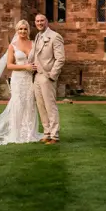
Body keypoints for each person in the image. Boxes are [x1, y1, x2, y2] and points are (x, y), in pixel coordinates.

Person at [31, 13, 66, 144]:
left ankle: (54, 135)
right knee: (41, 106)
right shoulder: (37, 36)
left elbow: (60, 58)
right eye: (37, 21)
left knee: (50, 106)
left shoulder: (55, 37)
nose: (39, 23)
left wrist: (52, 75)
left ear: (47, 22)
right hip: (37, 76)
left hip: (47, 76)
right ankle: (47, 133)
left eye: (42, 20)